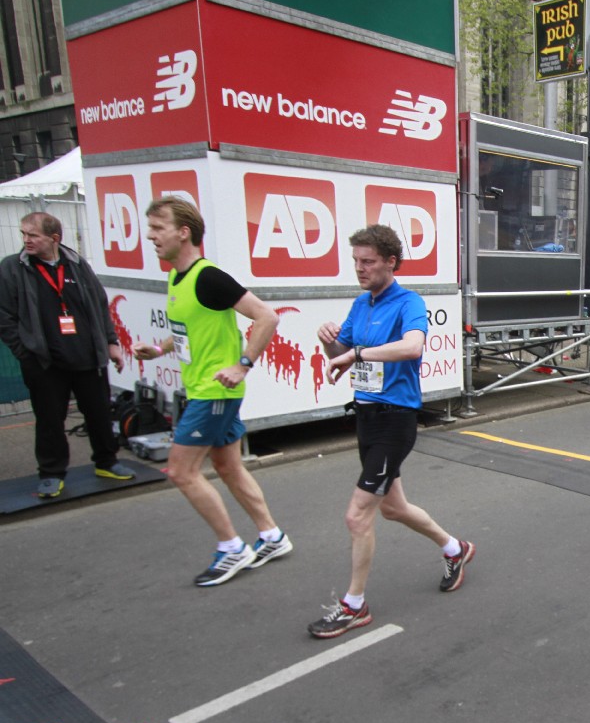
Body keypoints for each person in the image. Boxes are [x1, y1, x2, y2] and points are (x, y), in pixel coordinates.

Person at [308, 225, 474, 639]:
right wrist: (328, 341)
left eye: (367, 261)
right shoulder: (361, 304)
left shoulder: (408, 303)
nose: (359, 269)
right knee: (393, 508)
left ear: (390, 262)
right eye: (356, 261)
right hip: (366, 418)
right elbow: (342, 354)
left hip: (395, 421)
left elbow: (413, 346)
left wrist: (356, 352)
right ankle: (456, 548)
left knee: (357, 515)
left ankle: (355, 606)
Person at [132, 197, 290, 587]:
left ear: (183, 232)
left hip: (214, 392)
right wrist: (159, 350)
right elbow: (187, 329)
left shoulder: (208, 277)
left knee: (181, 471)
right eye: (150, 228)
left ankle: (232, 547)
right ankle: (272, 536)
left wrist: (242, 365)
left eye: (158, 228)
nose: (151, 236)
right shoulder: (177, 277)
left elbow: (267, 316)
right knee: (227, 466)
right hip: (205, 389)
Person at [0, 212, 136, 499]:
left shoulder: (76, 264)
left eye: (33, 235)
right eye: (24, 234)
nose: (26, 240)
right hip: (44, 361)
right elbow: (4, 315)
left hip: (87, 357)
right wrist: (24, 352)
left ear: (54, 238)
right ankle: (51, 474)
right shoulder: (13, 268)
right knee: (49, 420)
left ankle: (107, 462)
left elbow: (100, 305)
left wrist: (111, 343)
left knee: (99, 413)